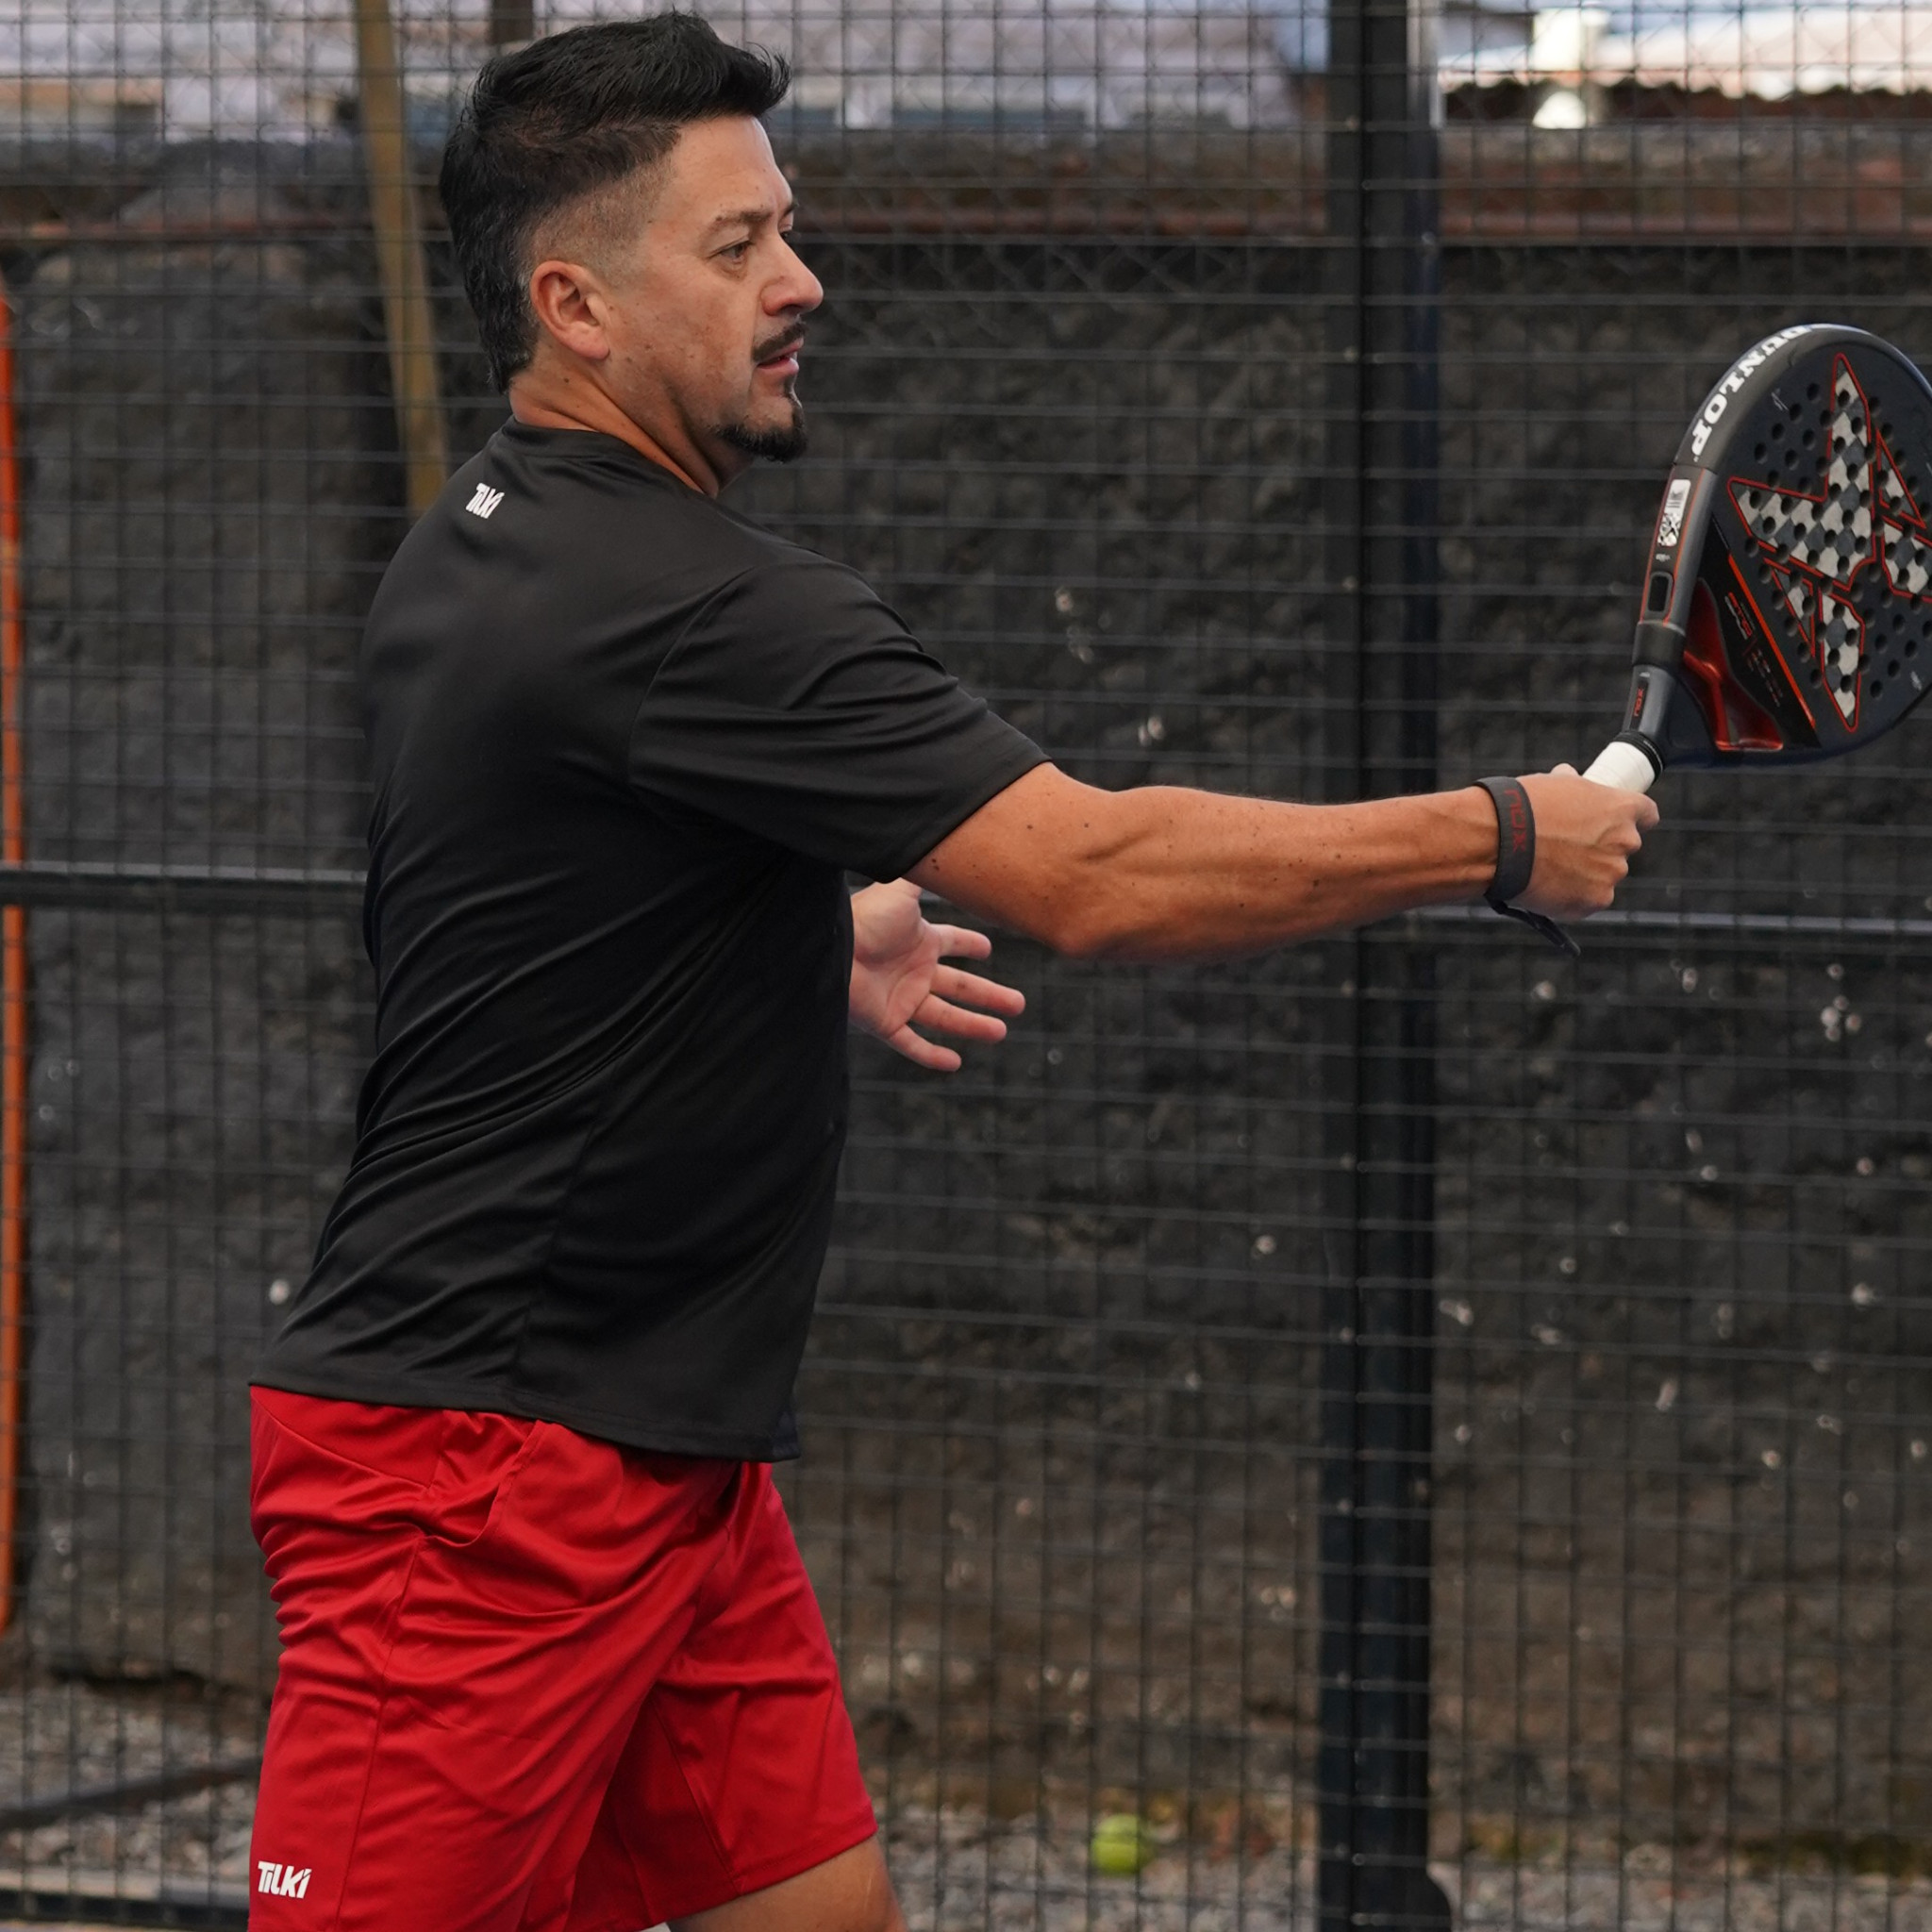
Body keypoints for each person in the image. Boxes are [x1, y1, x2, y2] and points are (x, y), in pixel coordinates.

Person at [245, 15, 1658, 1931]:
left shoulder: (482, 546)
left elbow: (517, 881)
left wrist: (800, 922)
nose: (801, 280)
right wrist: (1502, 832)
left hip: (667, 1452)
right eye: (736, 245)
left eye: (785, 227)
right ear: (575, 302)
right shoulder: (707, 610)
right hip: (479, 1478)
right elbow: (1093, 874)